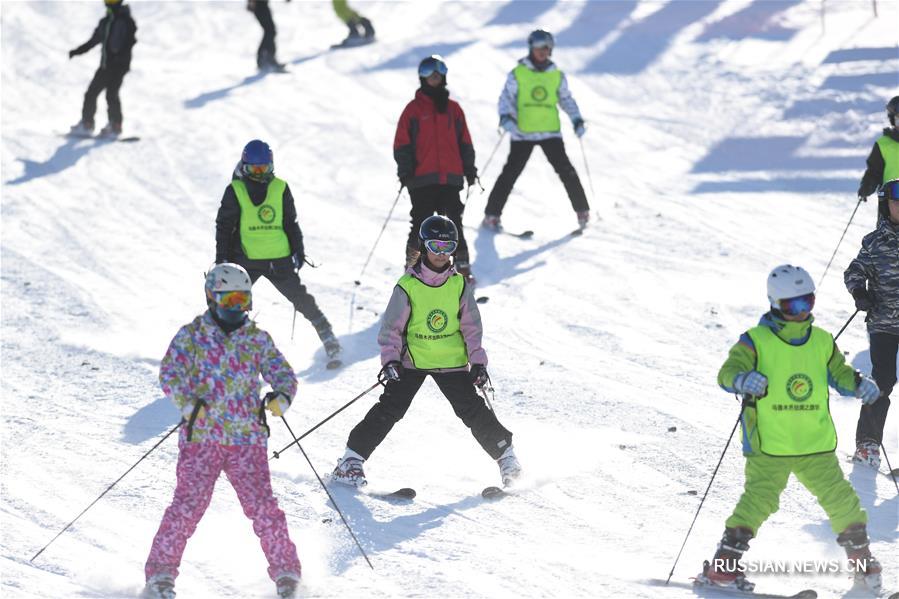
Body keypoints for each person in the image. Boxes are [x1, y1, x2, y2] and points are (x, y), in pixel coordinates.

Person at [697, 265, 882, 593]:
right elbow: (728, 372)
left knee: (842, 502)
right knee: (758, 501)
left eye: (806, 303)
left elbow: (839, 374)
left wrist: (858, 384)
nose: (799, 313)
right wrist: (742, 379)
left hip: (814, 443)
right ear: (775, 304)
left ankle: (862, 564)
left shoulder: (822, 341)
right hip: (770, 443)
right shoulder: (755, 341)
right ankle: (723, 568)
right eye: (791, 306)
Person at [143, 263, 302, 599]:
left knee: (264, 508)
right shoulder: (193, 335)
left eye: (243, 300)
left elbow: (283, 374)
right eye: (228, 299)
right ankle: (160, 576)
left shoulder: (256, 339)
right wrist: (188, 404)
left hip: (246, 440)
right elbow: (170, 373)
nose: (236, 307)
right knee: (186, 507)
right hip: (203, 438)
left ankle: (287, 574)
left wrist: (281, 397)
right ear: (211, 298)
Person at [330, 216, 521, 489]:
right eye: (435, 246)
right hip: (412, 361)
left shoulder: (458, 285)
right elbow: (391, 329)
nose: (442, 254)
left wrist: (477, 362)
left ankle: (506, 457)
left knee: (472, 409)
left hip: (451, 361)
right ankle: (350, 461)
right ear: (423, 246)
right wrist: (391, 361)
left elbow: (471, 328)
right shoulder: (408, 286)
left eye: (448, 247)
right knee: (391, 408)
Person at [215, 140, 341, 362]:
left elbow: (290, 222)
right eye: (254, 169)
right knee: (230, 303)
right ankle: (216, 349)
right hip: (246, 259)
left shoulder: (280, 187)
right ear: (244, 167)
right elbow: (225, 226)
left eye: (264, 169)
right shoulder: (235, 190)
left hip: (278, 258)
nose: (259, 174)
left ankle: (327, 336)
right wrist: (222, 259)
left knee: (300, 298)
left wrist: (298, 249)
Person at [483, 29, 590, 233]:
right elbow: (506, 98)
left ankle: (583, 212)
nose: (542, 51)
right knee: (510, 174)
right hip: (523, 132)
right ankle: (491, 215)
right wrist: (505, 117)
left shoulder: (556, 75)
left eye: (546, 48)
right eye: (539, 47)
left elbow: (566, 99)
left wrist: (576, 119)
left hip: (550, 131)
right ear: (531, 48)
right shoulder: (518, 73)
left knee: (567, 172)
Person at [393, 55, 478, 282]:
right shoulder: (413, 110)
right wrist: (405, 171)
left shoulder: (453, 109)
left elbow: (465, 142)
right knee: (420, 224)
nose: (434, 79)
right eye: (430, 75)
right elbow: (402, 143)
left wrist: (469, 170)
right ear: (422, 78)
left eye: (438, 75)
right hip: (421, 179)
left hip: (450, 178)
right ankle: (413, 268)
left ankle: (461, 268)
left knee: (454, 223)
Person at [843, 178, 899, 469]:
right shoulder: (875, 242)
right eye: (896, 201)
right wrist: (860, 292)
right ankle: (868, 443)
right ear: (886, 204)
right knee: (883, 381)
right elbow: (854, 271)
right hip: (884, 323)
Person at [68, 0, 137, 138]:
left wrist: (119, 56)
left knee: (102, 93)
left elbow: (129, 41)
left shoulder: (125, 20)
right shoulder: (106, 22)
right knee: (100, 93)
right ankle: (97, 124)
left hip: (118, 65)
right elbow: (94, 40)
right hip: (107, 65)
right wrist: (78, 51)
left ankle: (108, 125)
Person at [858, 97, 899, 222]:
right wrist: (867, 186)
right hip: (891, 199)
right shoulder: (884, 144)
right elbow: (874, 171)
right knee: (889, 233)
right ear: (893, 120)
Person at [247, 0, 285, 71]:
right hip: (260, 6)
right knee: (270, 31)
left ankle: (265, 58)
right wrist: (251, 2)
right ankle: (266, 59)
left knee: (270, 31)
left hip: (262, 5)